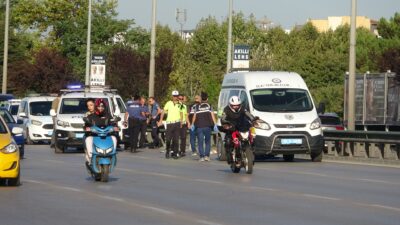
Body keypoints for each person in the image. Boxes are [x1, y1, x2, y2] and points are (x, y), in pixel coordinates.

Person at [220, 96, 256, 164]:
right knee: (228, 142)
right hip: (231, 127)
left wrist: (253, 119)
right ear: (230, 105)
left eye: (237, 105)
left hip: (241, 126)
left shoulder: (243, 108)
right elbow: (223, 118)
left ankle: (252, 153)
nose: (236, 107)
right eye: (234, 106)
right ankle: (230, 157)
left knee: (253, 138)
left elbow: (248, 114)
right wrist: (226, 123)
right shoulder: (226, 109)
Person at [84, 99, 118, 166]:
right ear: (96, 107)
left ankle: (112, 154)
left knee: (114, 138)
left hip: (106, 135)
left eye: (102, 106)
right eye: (98, 106)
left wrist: (115, 127)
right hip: (94, 136)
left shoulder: (108, 115)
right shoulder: (90, 116)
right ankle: (91, 157)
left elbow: (113, 123)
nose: (100, 108)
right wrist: (87, 128)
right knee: (88, 139)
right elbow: (86, 125)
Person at [191, 92, 216, 162]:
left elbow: (194, 116)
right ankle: (207, 156)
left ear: (201, 99)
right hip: (207, 127)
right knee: (207, 142)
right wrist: (215, 124)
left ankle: (201, 156)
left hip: (199, 127)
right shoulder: (209, 106)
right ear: (207, 99)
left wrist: (192, 124)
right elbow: (212, 115)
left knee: (200, 142)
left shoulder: (197, 106)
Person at [158, 90, 182, 159]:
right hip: (170, 123)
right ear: (172, 96)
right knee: (168, 139)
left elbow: (181, 113)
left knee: (176, 139)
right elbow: (163, 112)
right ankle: (167, 151)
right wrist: (160, 120)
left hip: (177, 123)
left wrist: (181, 122)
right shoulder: (168, 103)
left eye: (176, 96)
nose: (175, 97)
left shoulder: (180, 104)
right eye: (174, 96)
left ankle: (175, 153)